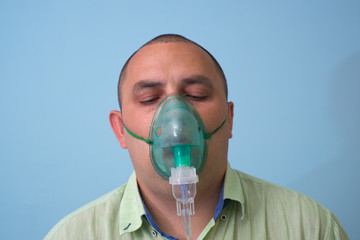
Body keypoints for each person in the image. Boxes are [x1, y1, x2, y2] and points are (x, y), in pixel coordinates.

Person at [44, 34, 348, 240]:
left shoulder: (309, 227)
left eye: (196, 94)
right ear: (121, 129)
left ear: (229, 119)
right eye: (150, 99)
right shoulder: (74, 234)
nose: (176, 118)